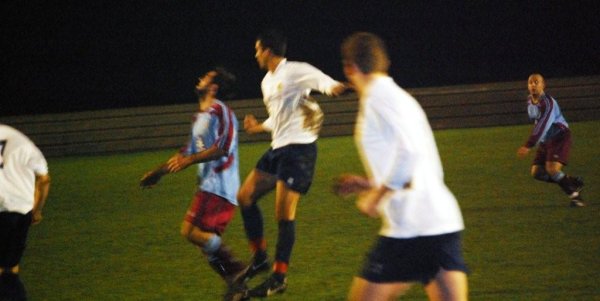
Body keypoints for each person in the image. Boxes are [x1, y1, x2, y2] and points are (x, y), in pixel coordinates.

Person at [335, 32, 469, 300]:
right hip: (439, 223)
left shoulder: (376, 98)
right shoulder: (401, 98)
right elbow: (416, 166)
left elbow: (410, 153)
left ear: (350, 68)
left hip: (410, 227)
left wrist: (376, 197)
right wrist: (368, 183)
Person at [231, 29, 346, 298]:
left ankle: (278, 277)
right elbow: (278, 118)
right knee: (245, 196)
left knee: (283, 213)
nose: (255, 54)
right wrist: (259, 127)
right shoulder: (266, 83)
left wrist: (337, 87)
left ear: (268, 50)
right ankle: (260, 258)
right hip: (278, 149)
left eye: (258, 49)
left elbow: (325, 83)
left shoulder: (295, 70)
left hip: (299, 150)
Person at [139, 68, 246, 288]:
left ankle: (237, 269)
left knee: (189, 231)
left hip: (219, 185)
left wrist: (189, 161)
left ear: (213, 87)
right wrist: (158, 173)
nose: (200, 78)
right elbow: (186, 153)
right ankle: (236, 285)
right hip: (209, 186)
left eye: (206, 77)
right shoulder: (199, 117)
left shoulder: (221, 111)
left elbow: (222, 148)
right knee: (204, 244)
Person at [516, 73, 585, 207]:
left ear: (543, 85)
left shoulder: (548, 102)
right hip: (546, 139)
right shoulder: (530, 100)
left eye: (537, 82)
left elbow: (543, 124)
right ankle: (571, 182)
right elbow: (536, 119)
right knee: (537, 172)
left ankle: (576, 198)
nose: (533, 85)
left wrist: (529, 145)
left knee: (551, 169)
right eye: (530, 82)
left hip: (559, 136)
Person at [0, 124, 51, 301]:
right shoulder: (23, 142)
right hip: (20, 210)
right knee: (10, 268)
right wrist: (36, 211)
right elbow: (44, 180)